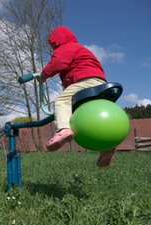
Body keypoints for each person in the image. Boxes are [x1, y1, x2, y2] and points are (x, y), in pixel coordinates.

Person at [37, 26, 116, 167]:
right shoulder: (81, 49)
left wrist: (43, 75)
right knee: (91, 117)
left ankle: (63, 129)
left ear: (57, 41)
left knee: (62, 100)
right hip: (99, 82)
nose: (53, 48)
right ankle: (107, 145)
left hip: (85, 81)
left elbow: (59, 63)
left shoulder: (66, 48)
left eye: (53, 45)